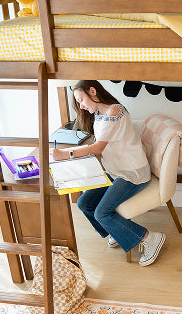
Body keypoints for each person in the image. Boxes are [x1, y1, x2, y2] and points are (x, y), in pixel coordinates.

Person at [50, 80, 165, 266]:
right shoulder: (98, 113)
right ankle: (116, 230)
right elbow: (101, 148)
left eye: (81, 100)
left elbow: (97, 147)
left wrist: (65, 154)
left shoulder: (115, 111)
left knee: (102, 213)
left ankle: (150, 238)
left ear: (93, 91)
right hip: (115, 172)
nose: (81, 106)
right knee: (84, 203)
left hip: (132, 174)